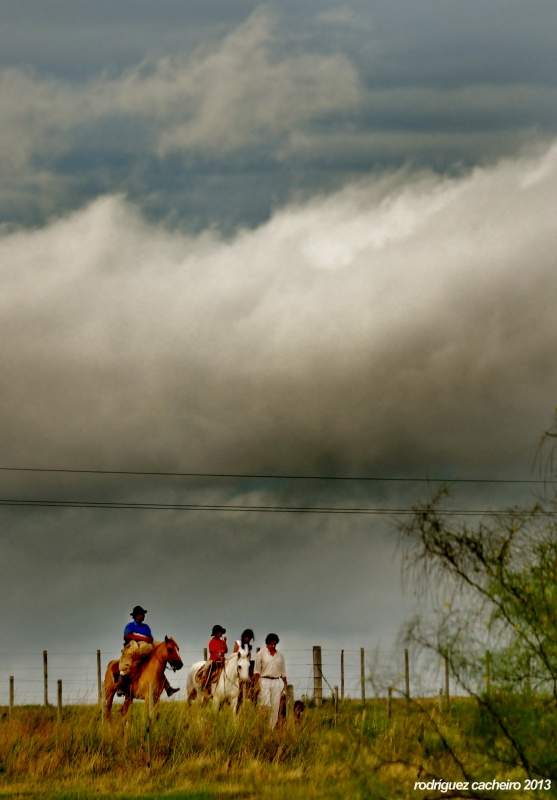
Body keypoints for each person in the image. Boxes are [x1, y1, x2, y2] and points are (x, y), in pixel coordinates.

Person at [115, 605, 179, 697]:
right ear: (136, 616)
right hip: (133, 651)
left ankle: (168, 687)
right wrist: (141, 638)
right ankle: (121, 687)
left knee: (156, 667)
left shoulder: (146, 627)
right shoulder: (130, 626)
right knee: (127, 667)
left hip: (144, 651)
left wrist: (148, 640)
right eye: (141, 614)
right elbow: (127, 636)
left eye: (143, 614)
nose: (143, 616)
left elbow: (150, 638)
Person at [253, 633, 287, 728]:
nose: (273, 646)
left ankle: (271, 728)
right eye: (271, 644)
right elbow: (256, 671)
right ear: (267, 643)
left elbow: (283, 670)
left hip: (276, 680)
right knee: (265, 703)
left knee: (275, 705)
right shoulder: (261, 654)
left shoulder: (280, 655)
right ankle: (261, 724)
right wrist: (257, 684)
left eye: (275, 644)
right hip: (264, 680)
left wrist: (285, 682)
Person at [199, 624, 228, 695]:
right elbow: (212, 652)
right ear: (216, 633)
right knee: (206, 668)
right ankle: (204, 683)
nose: (221, 633)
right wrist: (219, 657)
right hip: (213, 660)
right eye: (219, 632)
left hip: (222, 660)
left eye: (221, 632)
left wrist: (225, 642)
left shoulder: (222, 642)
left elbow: (226, 650)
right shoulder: (212, 641)